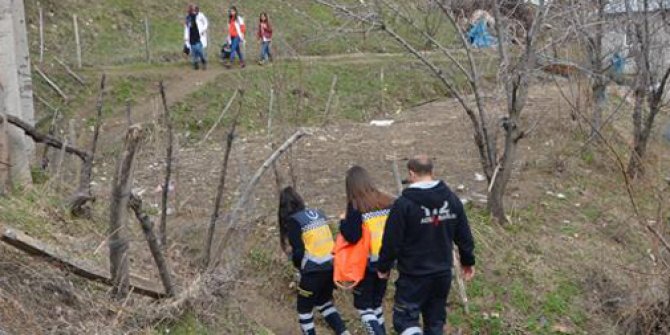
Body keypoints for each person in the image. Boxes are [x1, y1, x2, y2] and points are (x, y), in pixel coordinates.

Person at [377, 155, 476, 335]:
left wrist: (383, 267)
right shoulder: (452, 200)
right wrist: (468, 261)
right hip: (442, 274)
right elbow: (464, 236)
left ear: (411, 173)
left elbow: (391, 241)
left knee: (404, 321)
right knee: (435, 322)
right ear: (432, 172)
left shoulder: (403, 205)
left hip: (414, 276)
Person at [278, 187, 351, 335]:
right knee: (324, 303)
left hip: (313, 271)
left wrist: (297, 265)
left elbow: (299, 252)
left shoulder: (294, 221)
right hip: (331, 266)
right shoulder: (318, 214)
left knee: (304, 310)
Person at [339, 166, 394, 335]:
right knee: (376, 304)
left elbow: (353, 236)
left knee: (364, 307)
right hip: (386, 261)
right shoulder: (386, 201)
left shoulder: (356, 206)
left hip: (367, 264)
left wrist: (343, 221)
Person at [183, 4, 209, 70]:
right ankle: (196, 63)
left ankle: (203, 61)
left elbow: (205, 22)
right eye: (193, 10)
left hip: (198, 35)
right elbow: (186, 28)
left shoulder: (199, 16)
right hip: (191, 36)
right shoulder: (188, 18)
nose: (194, 11)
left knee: (199, 50)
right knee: (194, 51)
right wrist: (186, 37)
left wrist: (203, 29)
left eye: (195, 10)